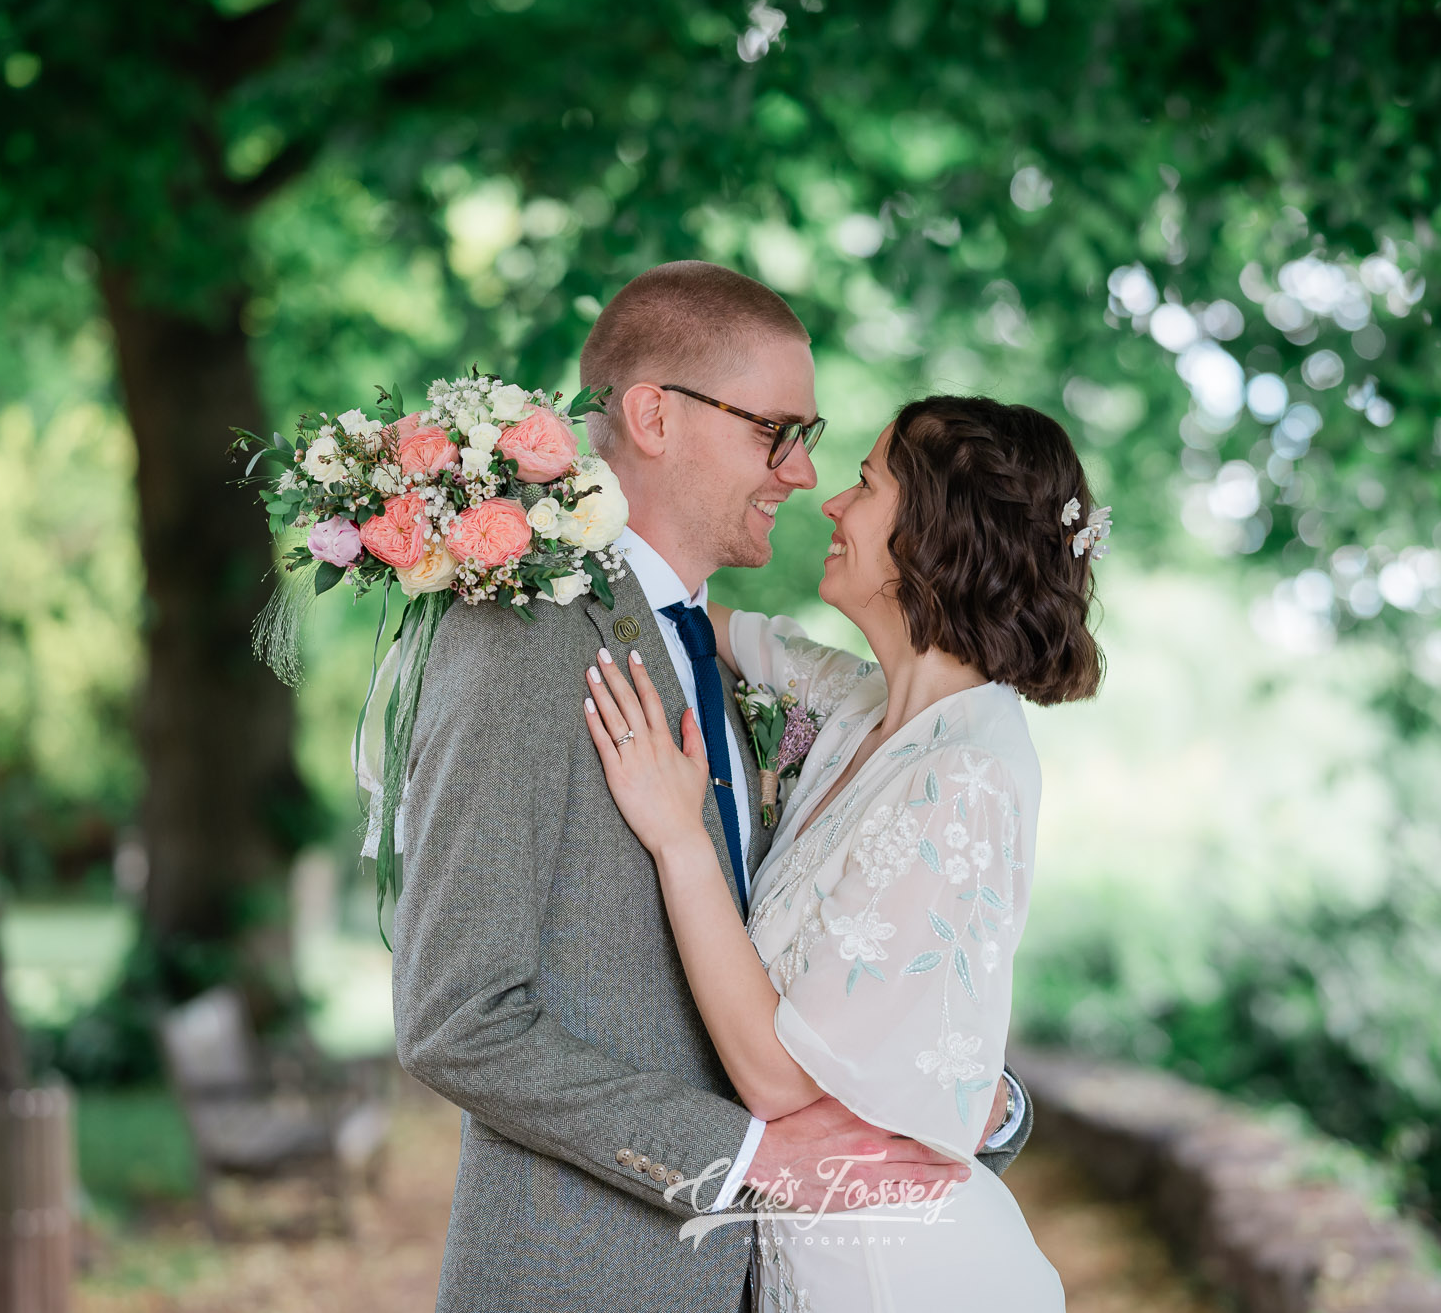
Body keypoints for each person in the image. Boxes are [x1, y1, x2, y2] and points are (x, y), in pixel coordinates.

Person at [391, 263, 1034, 1313]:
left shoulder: (749, 673)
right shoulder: (515, 640)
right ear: (651, 415)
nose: (801, 470)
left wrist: (971, 1099)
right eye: (774, 430)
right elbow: (454, 1018)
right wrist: (747, 1159)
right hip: (589, 1278)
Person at [581, 394, 1104, 1309]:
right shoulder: (865, 704)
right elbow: (706, 621)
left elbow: (779, 1078)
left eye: (865, 484)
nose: (830, 502)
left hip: (896, 1279)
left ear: (935, 535)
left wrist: (678, 838)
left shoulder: (967, 776)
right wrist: (539, 520)